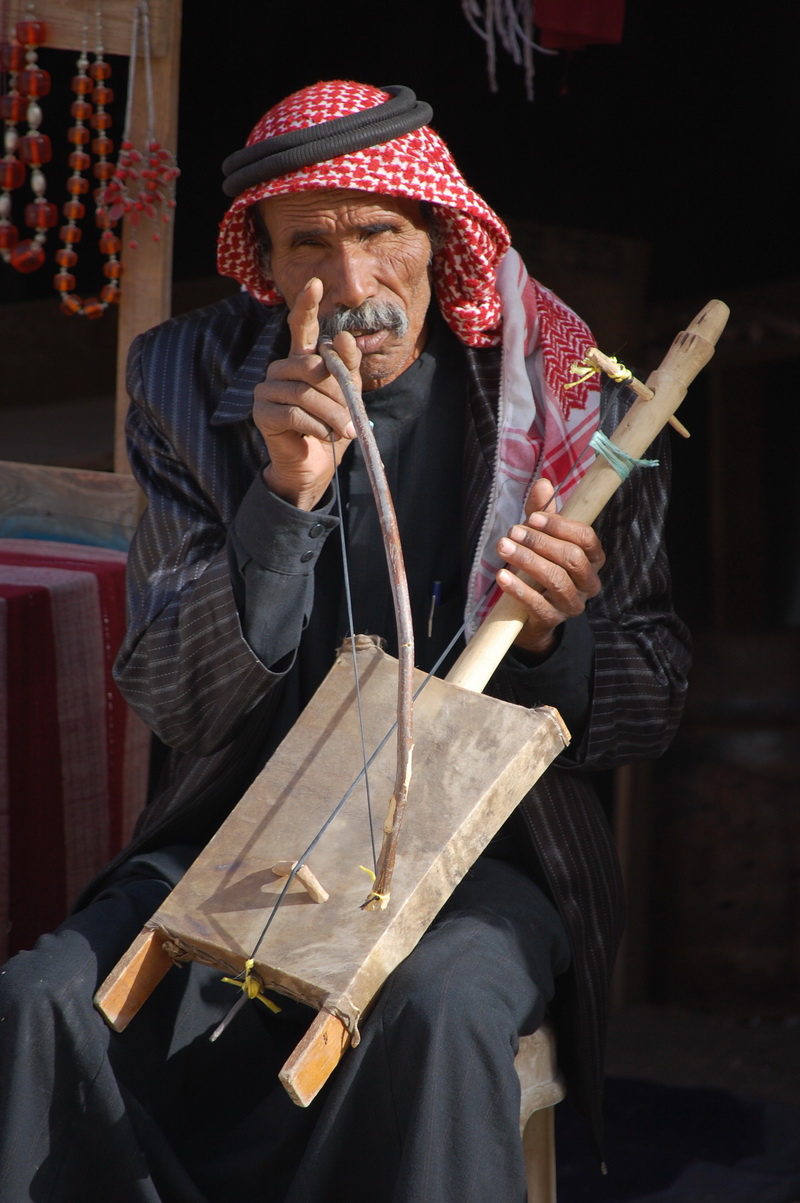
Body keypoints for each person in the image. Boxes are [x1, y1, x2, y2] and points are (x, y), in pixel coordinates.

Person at [0, 81, 690, 1202]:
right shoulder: (187, 379)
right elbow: (174, 699)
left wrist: (550, 640)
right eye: (308, 243)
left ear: (440, 236)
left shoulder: (562, 392)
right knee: (41, 999)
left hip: (479, 864)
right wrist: (282, 500)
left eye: (381, 233)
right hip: (238, 839)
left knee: (436, 1007)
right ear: (264, 265)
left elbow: (653, 700)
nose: (352, 280)